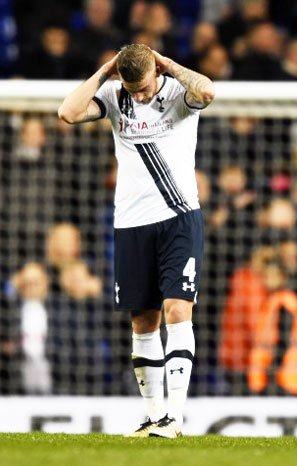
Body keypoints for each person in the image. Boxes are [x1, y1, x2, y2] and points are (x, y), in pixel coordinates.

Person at [58, 43, 214, 438]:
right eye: (133, 88)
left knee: (178, 309)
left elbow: (208, 91)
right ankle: (154, 416)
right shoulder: (115, 94)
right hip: (131, 224)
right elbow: (68, 112)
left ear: (156, 72)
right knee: (143, 322)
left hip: (179, 218)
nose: (139, 95)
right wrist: (105, 69)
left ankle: (175, 418)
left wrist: (169, 65)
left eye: (143, 87)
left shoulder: (179, 93)